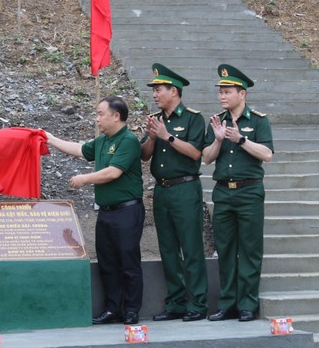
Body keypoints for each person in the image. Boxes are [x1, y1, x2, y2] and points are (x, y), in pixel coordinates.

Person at [46, 96, 144, 325]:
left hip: (127, 212)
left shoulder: (128, 140)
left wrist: (84, 179)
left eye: (100, 114)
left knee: (128, 262)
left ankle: (131, 309)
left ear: (116, 115)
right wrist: (51, 139)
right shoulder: (102, 141)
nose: (97, 118)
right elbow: (80, 149)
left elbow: (113, 172)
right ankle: (113, 309)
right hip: (107, 212)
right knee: (107, 262)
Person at [201, 64, 274, 323]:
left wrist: (241, 139)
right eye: (220, 91)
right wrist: (219, 139)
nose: (222, 95)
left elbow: (267, 154)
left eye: (227, 91)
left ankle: (248, 304)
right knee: (226, 249)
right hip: (224, 193)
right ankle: (228, 303)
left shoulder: (258, 121)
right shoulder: (217, 121)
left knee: (250, 250)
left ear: (242, 93)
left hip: (249, 192)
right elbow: (206, 159)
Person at [140, 64, 209, 322]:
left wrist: (167, 136)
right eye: (154, 90)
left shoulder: (192, 118)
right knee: (167, 248)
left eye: (159, 89)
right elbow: (145, 156)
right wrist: (150, 136)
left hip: (185, 188)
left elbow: (195, 153)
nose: (155, 94)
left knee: (191, 247)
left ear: (174, 91)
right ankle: (176, 302)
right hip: (162, 191)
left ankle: (198, 303)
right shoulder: (157, 120)